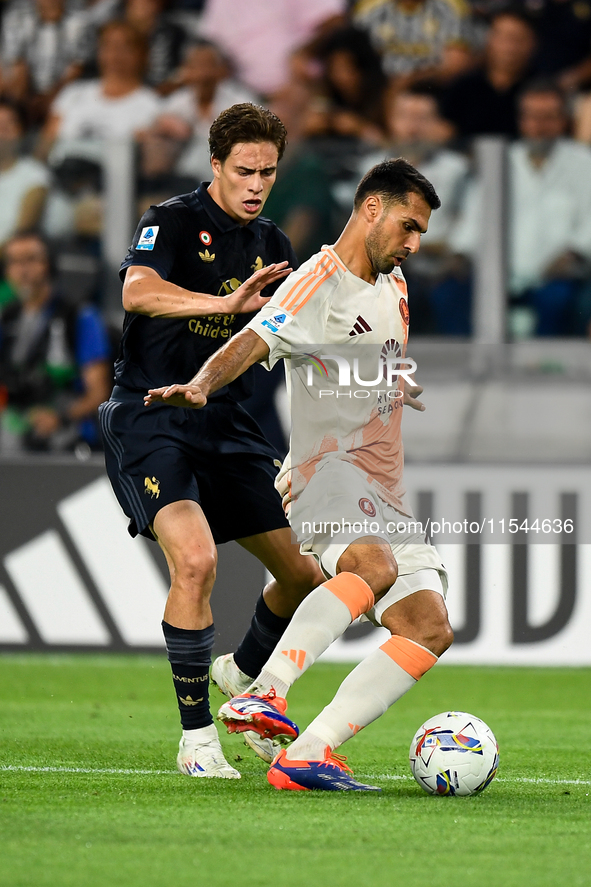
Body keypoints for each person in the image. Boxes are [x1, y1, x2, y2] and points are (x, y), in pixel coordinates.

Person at [145, 158, 454, 792]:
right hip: (325, 472)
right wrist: (201, 385)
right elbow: (254, 339)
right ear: (371, 208)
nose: (414, 244)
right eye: (408, 226)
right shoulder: (316, 281)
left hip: (383, 487)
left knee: (429, 626)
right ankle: (269, 692)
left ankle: (309, 751)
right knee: (370, 568)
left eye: (420, 233)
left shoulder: (394, 287)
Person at [99, 102, 322, 780]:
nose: (256, 184)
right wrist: (221, 305)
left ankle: (243, 673)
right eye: (244, 170)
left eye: (268, 172)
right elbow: (138, 292)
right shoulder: (170, 220)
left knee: (304, 578)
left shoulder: (274, 247)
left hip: (227, 422)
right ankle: (197, 740)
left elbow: (285, 341)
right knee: (195, 563)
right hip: (151, 415)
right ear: (216, 166)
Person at [450, 79, 591, 336]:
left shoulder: (584, 163)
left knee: (558, 299)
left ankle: (545, 372)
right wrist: (461, 254)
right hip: (499, 274)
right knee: (449, 293)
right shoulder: (502, 161)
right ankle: (470, 369)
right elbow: (474, 217)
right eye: (532, 117)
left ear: (563, 121)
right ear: (521, 120)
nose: (539, 127)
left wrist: (574, 254)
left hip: (558, 275)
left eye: (548, 118)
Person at [0, 231, 111, 453]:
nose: (23, 270)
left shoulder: (80, 317)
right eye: (14, 262)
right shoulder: (6, 319)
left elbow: (99, 392)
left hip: (72, 432)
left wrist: (59, 417)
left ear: (49, 264)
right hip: (19, 425)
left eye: (31, 260)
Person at [37, 20, 161, 164]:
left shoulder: (152, 105)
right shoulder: (73, 93)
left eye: (125, 47)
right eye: (107, 45)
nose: (115, 54)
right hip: (61, 177)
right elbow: (44, 149)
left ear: (143, 54)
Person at [440, 9, 537, 139]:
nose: (509, 48)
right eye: (503, 38)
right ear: (489, 40)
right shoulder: (463, 87)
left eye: (518, 39)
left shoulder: (540, 89)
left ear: (533, 43)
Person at [0, 100, 50, 254]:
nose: (3, 130)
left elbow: (21, 234)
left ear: (22, 132)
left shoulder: (35, 175)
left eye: (10, 123)